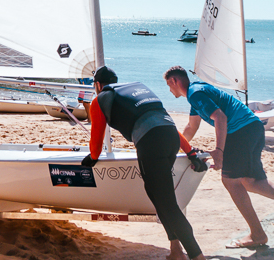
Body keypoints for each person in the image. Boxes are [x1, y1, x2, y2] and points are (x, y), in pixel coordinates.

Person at [164, 65, 274, 249]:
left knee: (231, 181)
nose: (170, 90)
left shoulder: (195, 93)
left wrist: (218, 150)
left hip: (240, 131)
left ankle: (257, 234)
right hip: (253, 128)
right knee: (252, 182)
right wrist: (176, 148)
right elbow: (191, 127)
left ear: (174, 81)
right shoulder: (196, 94)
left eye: (168, 86)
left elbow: (220, 118)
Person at [84, 66, 208, 260]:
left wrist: (92, 158)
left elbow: (97, 138)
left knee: (167, 204)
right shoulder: (134, 91)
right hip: (170, 137)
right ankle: (175, 250)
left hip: (151, 142)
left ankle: (197, 256)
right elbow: (163, 123)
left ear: (98, 85)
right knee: (159, 197)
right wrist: (190, 152)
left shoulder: (99, 100)